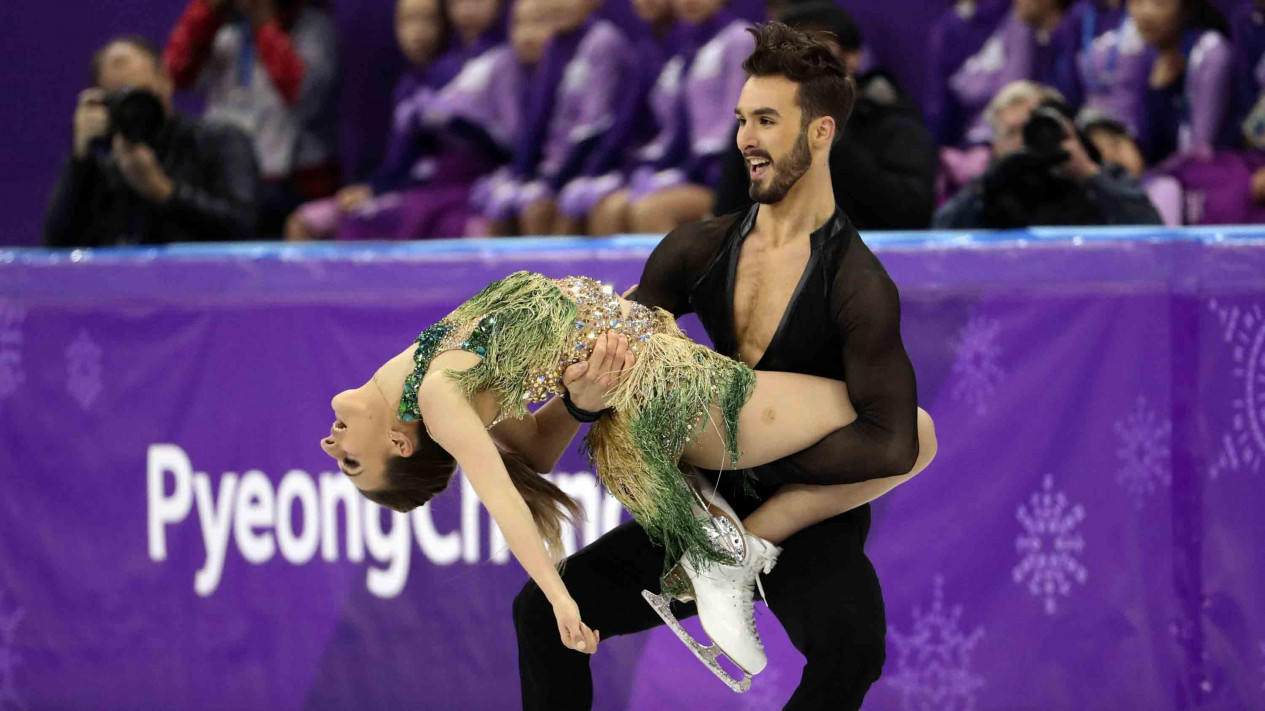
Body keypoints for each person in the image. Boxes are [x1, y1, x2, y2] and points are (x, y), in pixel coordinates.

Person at [514, 23, 938, 710]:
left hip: (799, 522)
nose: (744, 137)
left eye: (767, 120)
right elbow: (622, 368)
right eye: (742, 118)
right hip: (698, 507)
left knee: (852, 646)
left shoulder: (857, 283)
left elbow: (891, 440)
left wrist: (750, 507)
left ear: (821, 132)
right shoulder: (695, 249)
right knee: (543, 610)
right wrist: (589, 397)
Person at [284, 0, 506, 242]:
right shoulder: (408, 85)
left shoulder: (488, 64)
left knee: (407, 217)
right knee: (333, 218)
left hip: (466, 187)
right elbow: (400, 159)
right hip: (418, 186)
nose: (418, 32)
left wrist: (450, 120)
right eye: (408, 21)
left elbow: (503, 143)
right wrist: (374, 189)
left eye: (427, 20)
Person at [712, 2, 938, 229]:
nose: (797, 65)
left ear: (851, 59)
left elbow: (913, 213)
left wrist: (831, 137)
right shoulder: (755, 129)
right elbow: (728, 217)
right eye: (784, 55)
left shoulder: (892, 120)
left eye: (814, 54)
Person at [44, 36, 258, 247]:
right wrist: (79, 161)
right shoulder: (102, 166)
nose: (133, 106)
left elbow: (243, 228)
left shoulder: (220, 141)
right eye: (118, 96)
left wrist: (163, 191)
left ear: (165, 79)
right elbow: (57, 245)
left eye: (141, 92)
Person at [164, 0, 340, 237]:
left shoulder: (312, 27)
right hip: (227, 175)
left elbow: (303, 95)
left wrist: (264, 22)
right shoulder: (220, 24)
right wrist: (206, 11)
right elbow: (175, 74)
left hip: (292, 181)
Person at [473, 0, 633, 236]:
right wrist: (520, 176)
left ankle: (561, 272)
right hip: (555, 168)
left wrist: (553, 182)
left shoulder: (603, 40)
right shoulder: (556, 44)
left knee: (537, 211)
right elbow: (538, 118)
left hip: (589, 168)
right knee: (501, 214)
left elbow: (595, 125)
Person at [933, 80, 1163, 227]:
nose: (1024, 140)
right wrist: (988, 185)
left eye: (1033, 127)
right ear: (995, 146)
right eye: (1012, 132)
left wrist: (1089, 174)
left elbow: (1150, 230)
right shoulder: (991, 189)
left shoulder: (1097, 174)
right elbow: (940, 234)